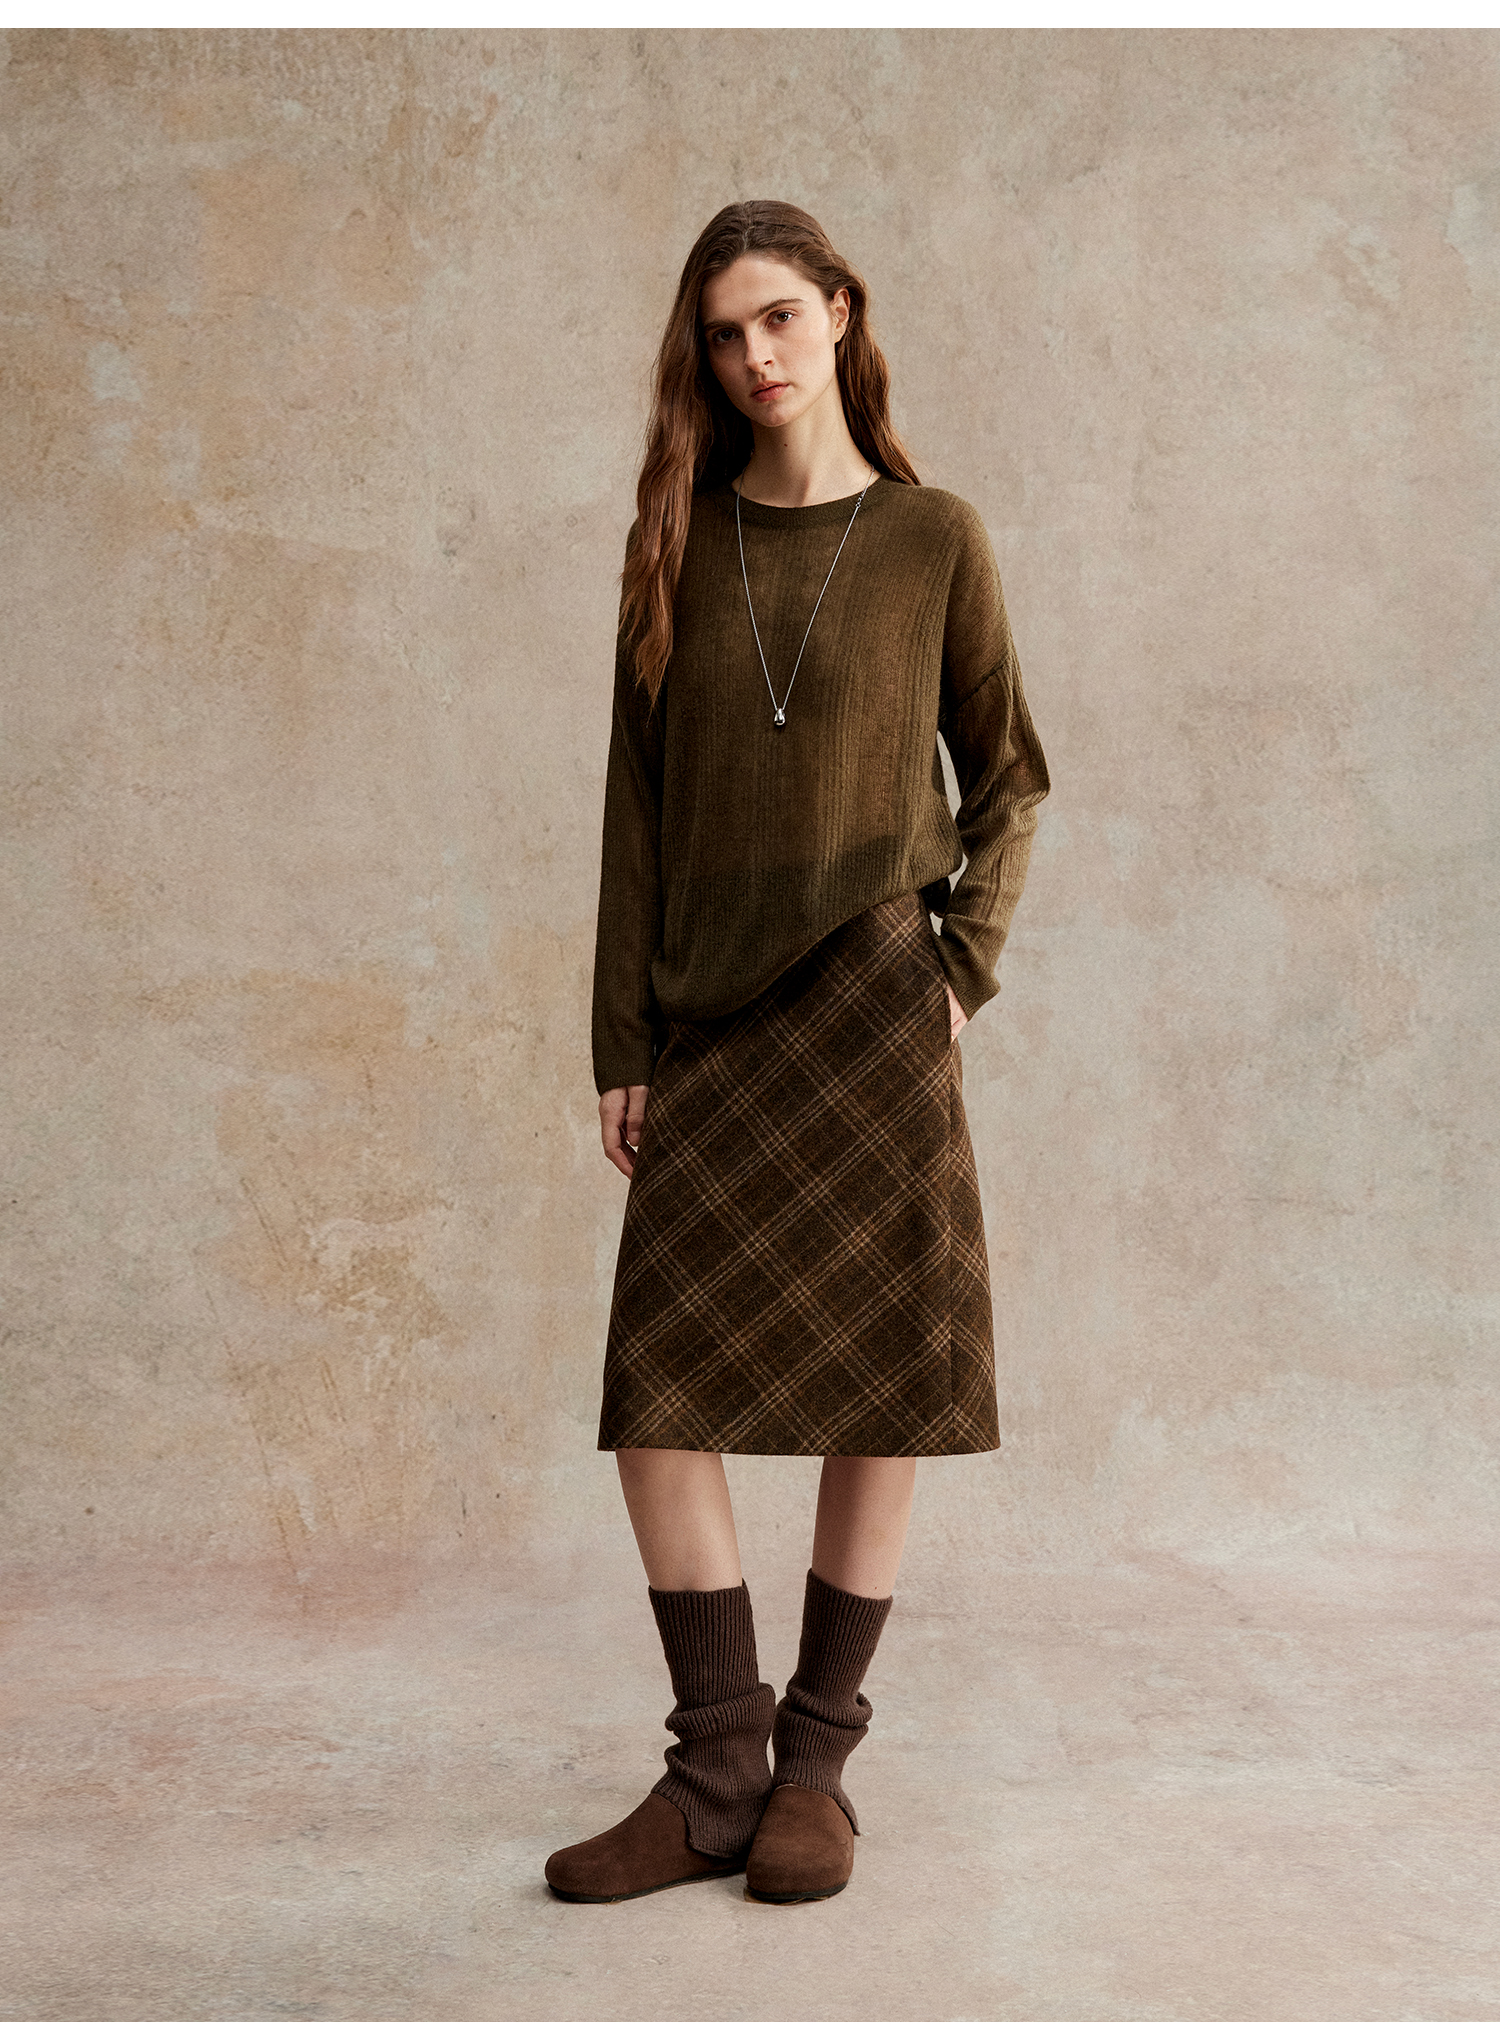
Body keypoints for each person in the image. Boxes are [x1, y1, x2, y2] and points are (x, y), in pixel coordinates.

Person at [544, 199, 1050, 1907]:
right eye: (723, 332)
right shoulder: (677, 545)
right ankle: (716, 1770)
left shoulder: (931, 538)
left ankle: (815, 1767)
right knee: (659, 1387)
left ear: (839, 310)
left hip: (873, 1005)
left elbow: (1010, 774)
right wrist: (622, 1035)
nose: (754, 355)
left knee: (878, 1378)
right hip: (712, 1014)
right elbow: (635, 812)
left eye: (777, 316)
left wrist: (958, 966)